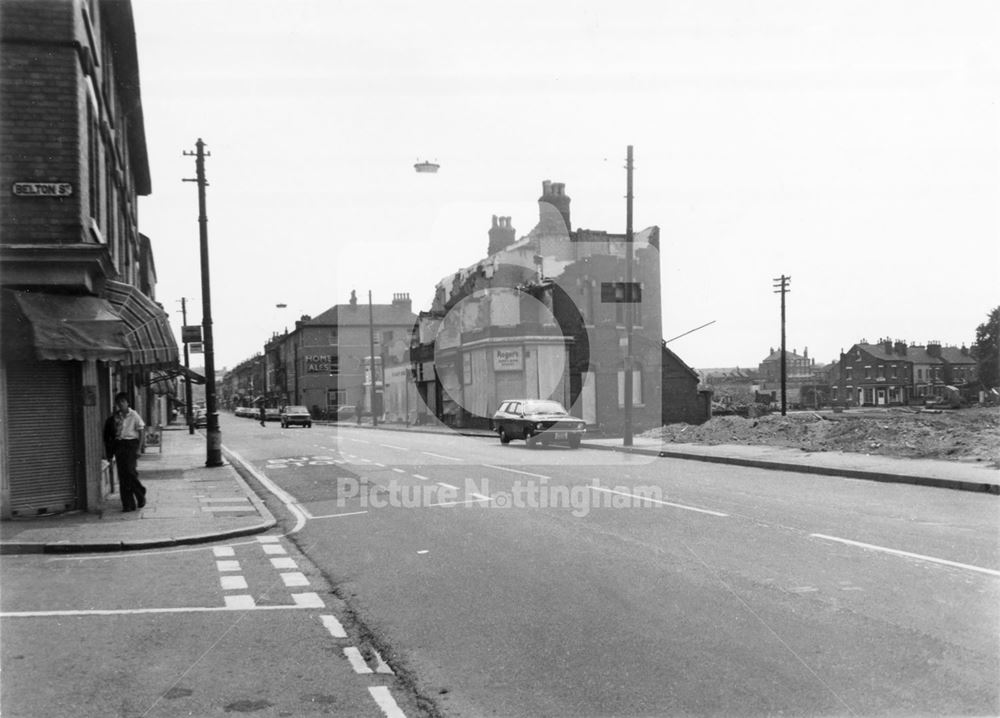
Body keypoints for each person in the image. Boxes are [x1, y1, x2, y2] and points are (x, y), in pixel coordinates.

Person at [104, 392, 147, 512]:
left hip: (131, 444)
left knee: (130, 471)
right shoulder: (115, 417)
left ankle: (140, 492)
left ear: (128, 402)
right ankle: (128, 504)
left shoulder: (134, 415)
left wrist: (139, 448)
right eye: (118, 402)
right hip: (119, 445)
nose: (120, 404)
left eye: (123, 402)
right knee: (122, 476)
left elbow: (141, 431)